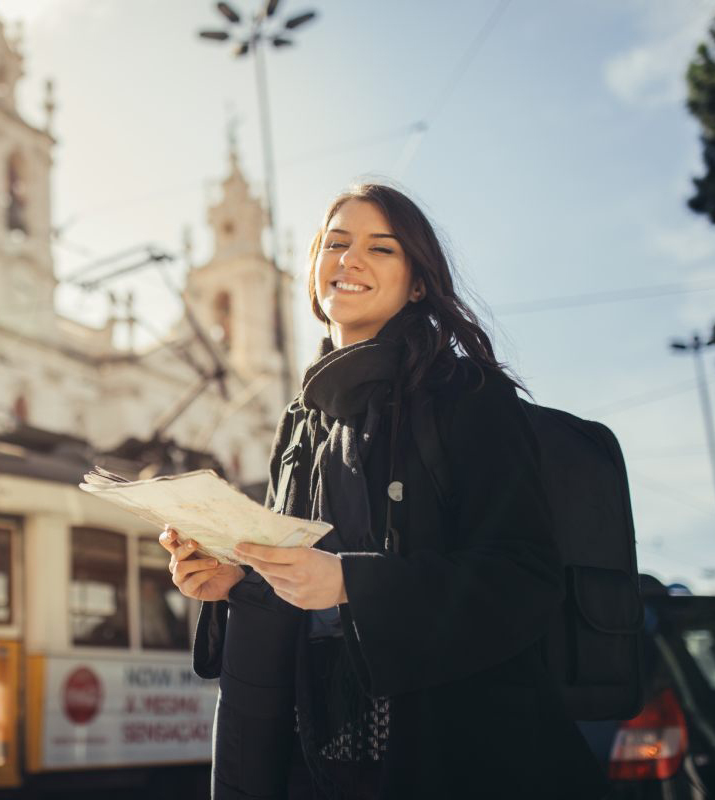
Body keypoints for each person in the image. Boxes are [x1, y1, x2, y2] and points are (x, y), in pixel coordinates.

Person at [158, 183, 609, 800]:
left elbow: (523, 579)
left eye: (381, 248)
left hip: (451, 758)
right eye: (336, 243)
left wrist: (350, 583)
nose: (350, 260)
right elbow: (299, 589)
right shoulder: (298, 425)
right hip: (311, 759)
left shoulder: (466, 396)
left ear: (418, 282)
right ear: (315, 266)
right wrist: (235, 583)